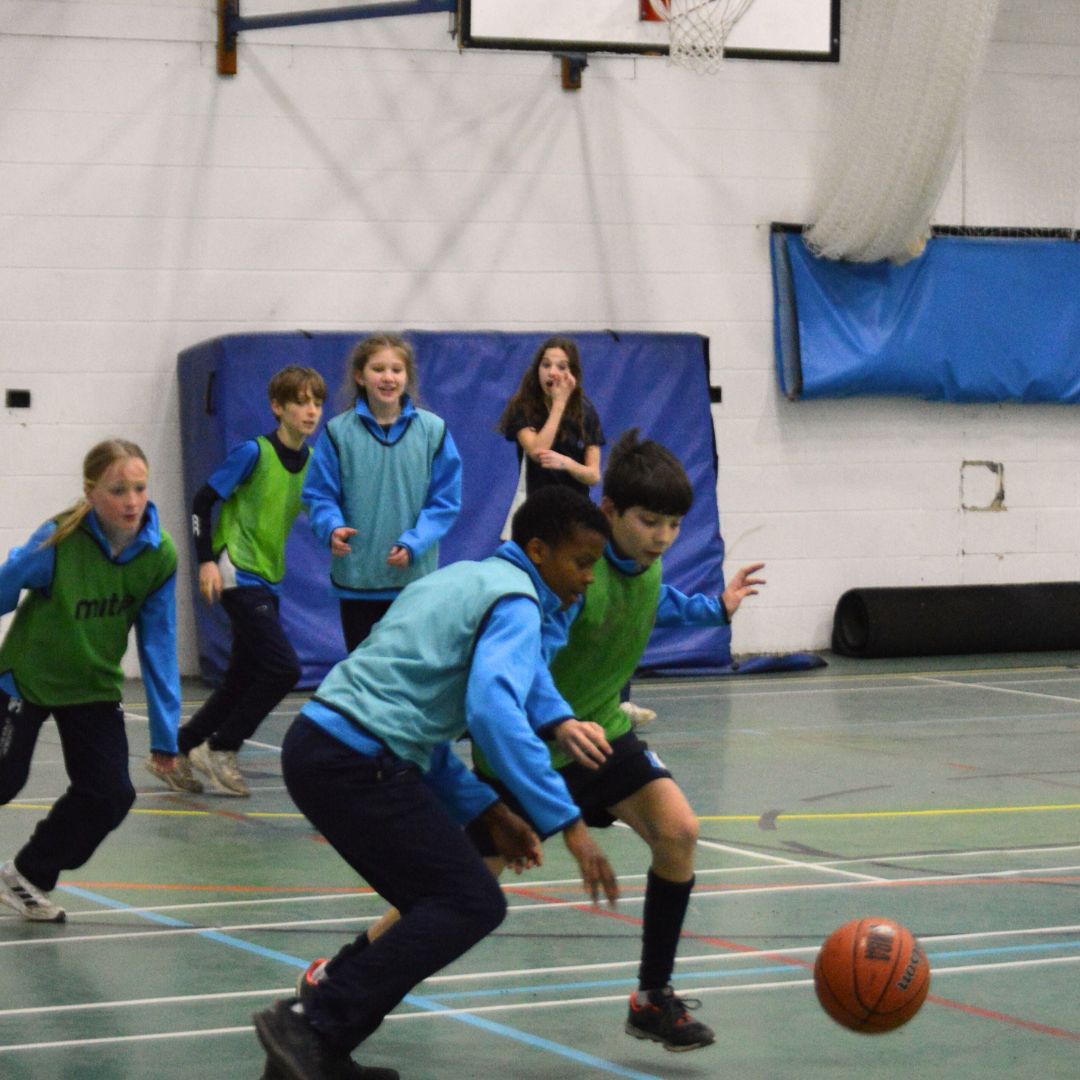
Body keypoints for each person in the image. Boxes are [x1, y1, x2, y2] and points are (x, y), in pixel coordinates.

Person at [252, 486, 620, 1080]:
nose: (588, 580)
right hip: (354, 760)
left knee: (443, 897)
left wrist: (488, 812)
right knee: (467, 901)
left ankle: (316, 1046)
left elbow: (415, 722)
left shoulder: (456, 581)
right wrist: (569, 824)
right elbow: (492, 710)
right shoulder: (519, 599)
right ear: (538, 552)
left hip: (320, 745)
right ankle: (311, 1022)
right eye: (581, 563)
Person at [470, 429, 765, 1052]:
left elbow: (659, 601)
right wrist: (546, 725)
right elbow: (521, 669)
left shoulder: (648, 569)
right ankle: (341, 972)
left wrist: (719, 607)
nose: (662, 537)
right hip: (533, 749)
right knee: (460, 897)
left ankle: (652, 998)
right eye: (649, 521)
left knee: (679, 830)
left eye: (674, 525)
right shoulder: (575, 578)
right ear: (609, 513)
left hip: (603, 733)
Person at [0, 440, 180, 922]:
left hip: (92, 685)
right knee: (5, 777)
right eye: (117, 490)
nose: (131, 501)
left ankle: (28, 874)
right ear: (90, 492)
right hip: (28, 679)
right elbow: (5, 585)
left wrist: (165, 734)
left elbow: (159, 645)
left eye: (139, 488)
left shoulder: (158, 555)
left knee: (110, 793)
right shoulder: (59, 540)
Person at [148, 367, 326, 798]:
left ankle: (179, 748)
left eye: (317, 402)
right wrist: (206, 561)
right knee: (283, 668)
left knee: (242, 676)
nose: (310, 410)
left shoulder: (312, 462)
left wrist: (336, 532)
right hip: (236, 570)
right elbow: (202, 501)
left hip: (269, 577)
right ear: (277, 408)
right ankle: (223, 747)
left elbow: (317, 510)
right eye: (300, 401)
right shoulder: (253, 452)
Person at [302, 334, 462, 654]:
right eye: (378, 369)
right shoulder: (337, 432)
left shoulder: (434, 431)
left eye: (397, 370)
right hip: (357, 582)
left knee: (410, 676)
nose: (388, 377)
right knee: (364, 676)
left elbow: (444, 502)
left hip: (414, 583)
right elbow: (319, 496)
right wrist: (331, 527)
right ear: (360, 376)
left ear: (407, 377)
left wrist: (413, 543)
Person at [497, 335, 605, 499]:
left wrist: (568, 464)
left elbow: (594, 475)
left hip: (576, 510)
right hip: (537, 509)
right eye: (546, 365)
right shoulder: (523, 407)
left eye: (561, 367)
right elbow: (537, 452)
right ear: (537, 369)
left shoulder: (585, 411)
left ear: (572, 374)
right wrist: (559, 404)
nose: (552, 372)